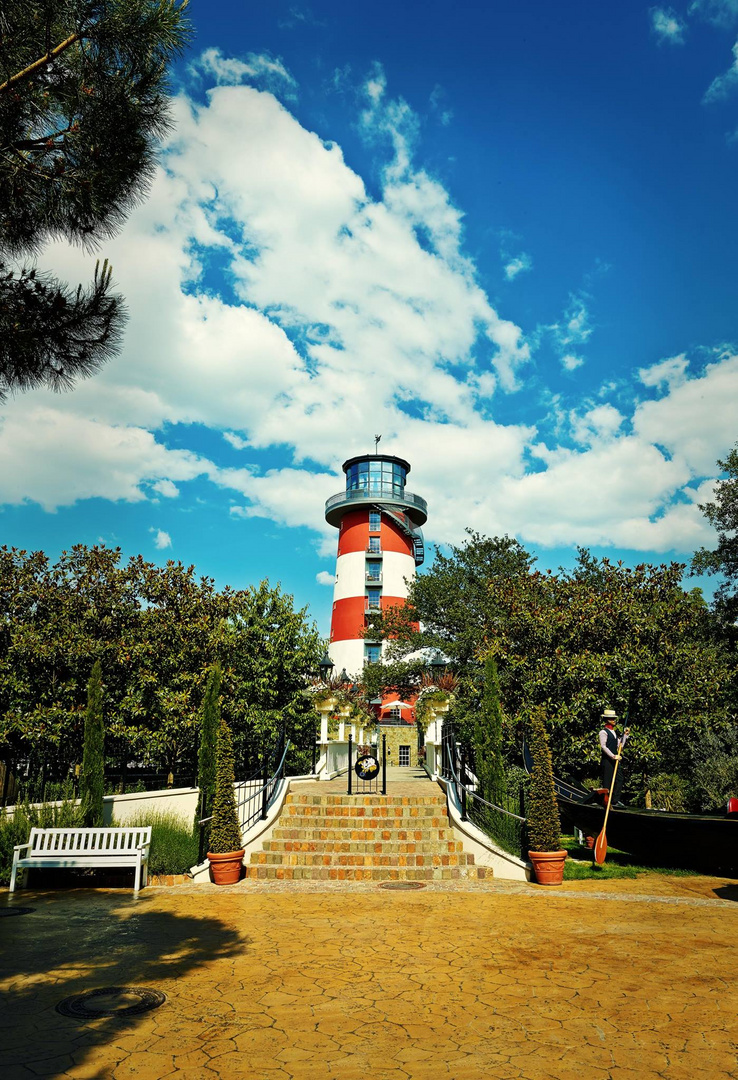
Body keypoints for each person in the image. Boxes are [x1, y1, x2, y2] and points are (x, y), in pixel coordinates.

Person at [599, 708, 630, 806]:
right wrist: (613, 756)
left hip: (615, 760)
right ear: (607, 720)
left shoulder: (614, 732)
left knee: (619, 779)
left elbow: (620, 746)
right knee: (607, 782)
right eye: (612, 719)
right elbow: (603, 746)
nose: (614, 721)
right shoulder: (603, 732)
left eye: (614, 719)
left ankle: (615, 801)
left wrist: (625, 736)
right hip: (607, 761)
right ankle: (606, 802)